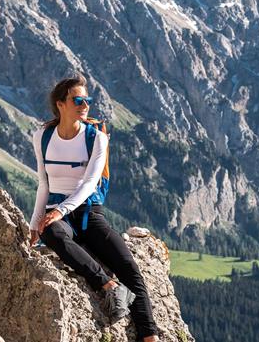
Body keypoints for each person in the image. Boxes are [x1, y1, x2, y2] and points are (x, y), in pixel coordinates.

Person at [28, 74, 158, 342]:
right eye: (78, 100)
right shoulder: (42, 136)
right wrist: (34, 223)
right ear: (60, 103)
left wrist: (60, 211)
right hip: (58, 212)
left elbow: (89, 184)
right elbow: (43, 183)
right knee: (52, 233)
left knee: (129, 269)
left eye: (87, 100)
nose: (85, 105)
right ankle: (108, 285)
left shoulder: (97, 138)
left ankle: (150, 336)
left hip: (89, 212)